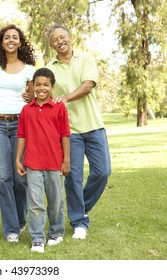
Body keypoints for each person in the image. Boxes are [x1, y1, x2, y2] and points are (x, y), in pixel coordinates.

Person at [46, 24, 111, 240]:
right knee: (72, 177)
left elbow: (87, 85)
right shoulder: (50, 68)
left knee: (102, 172)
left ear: (70, 38)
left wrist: (66, 97)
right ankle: (79, 222)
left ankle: (78, 207)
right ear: (51, 44)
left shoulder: (85, 59)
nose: (60, 41)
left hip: (93, 125)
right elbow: (45, 92)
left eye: (62, 37)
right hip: (69, 131)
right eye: (55, 40)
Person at [0, 24, 36, 243]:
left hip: (20, 125)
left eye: (14, 37)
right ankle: (11, 229)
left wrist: (30, 97)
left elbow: (34, 97)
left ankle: (21, 220)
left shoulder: (29, 69)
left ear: (20, 42)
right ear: (1, 42)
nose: (10, 40)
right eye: (6, 37)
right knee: (2, 178)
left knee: (19, 178)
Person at [16, 68, 70, 253]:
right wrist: (18, 159)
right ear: (32, 87)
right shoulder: (26, 110)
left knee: (55, 201)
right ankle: (37, 238)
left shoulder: (59, 107)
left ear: (52, 87)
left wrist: (66, 160)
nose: (41, 88)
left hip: (54, 163)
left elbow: (65, 135)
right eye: (37, 85)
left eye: (46, 85)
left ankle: (56, 232)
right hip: (33, 163)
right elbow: (22, 136)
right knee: (35, 202)